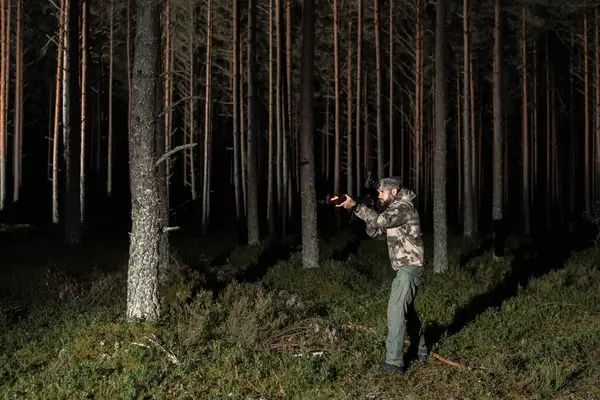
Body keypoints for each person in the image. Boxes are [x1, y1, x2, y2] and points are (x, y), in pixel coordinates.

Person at [336, 177, 428, 375]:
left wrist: (357, 207)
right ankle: (421, 352)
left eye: (382, 192)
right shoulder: (392, 209)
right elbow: (374, 231)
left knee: (395, 310)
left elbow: (380, 221)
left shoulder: (404, 208)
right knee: (407, 311)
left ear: (393, 192)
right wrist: (366, 209)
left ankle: (394, 364)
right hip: (404, 267)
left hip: (410, 267)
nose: (379, 195)